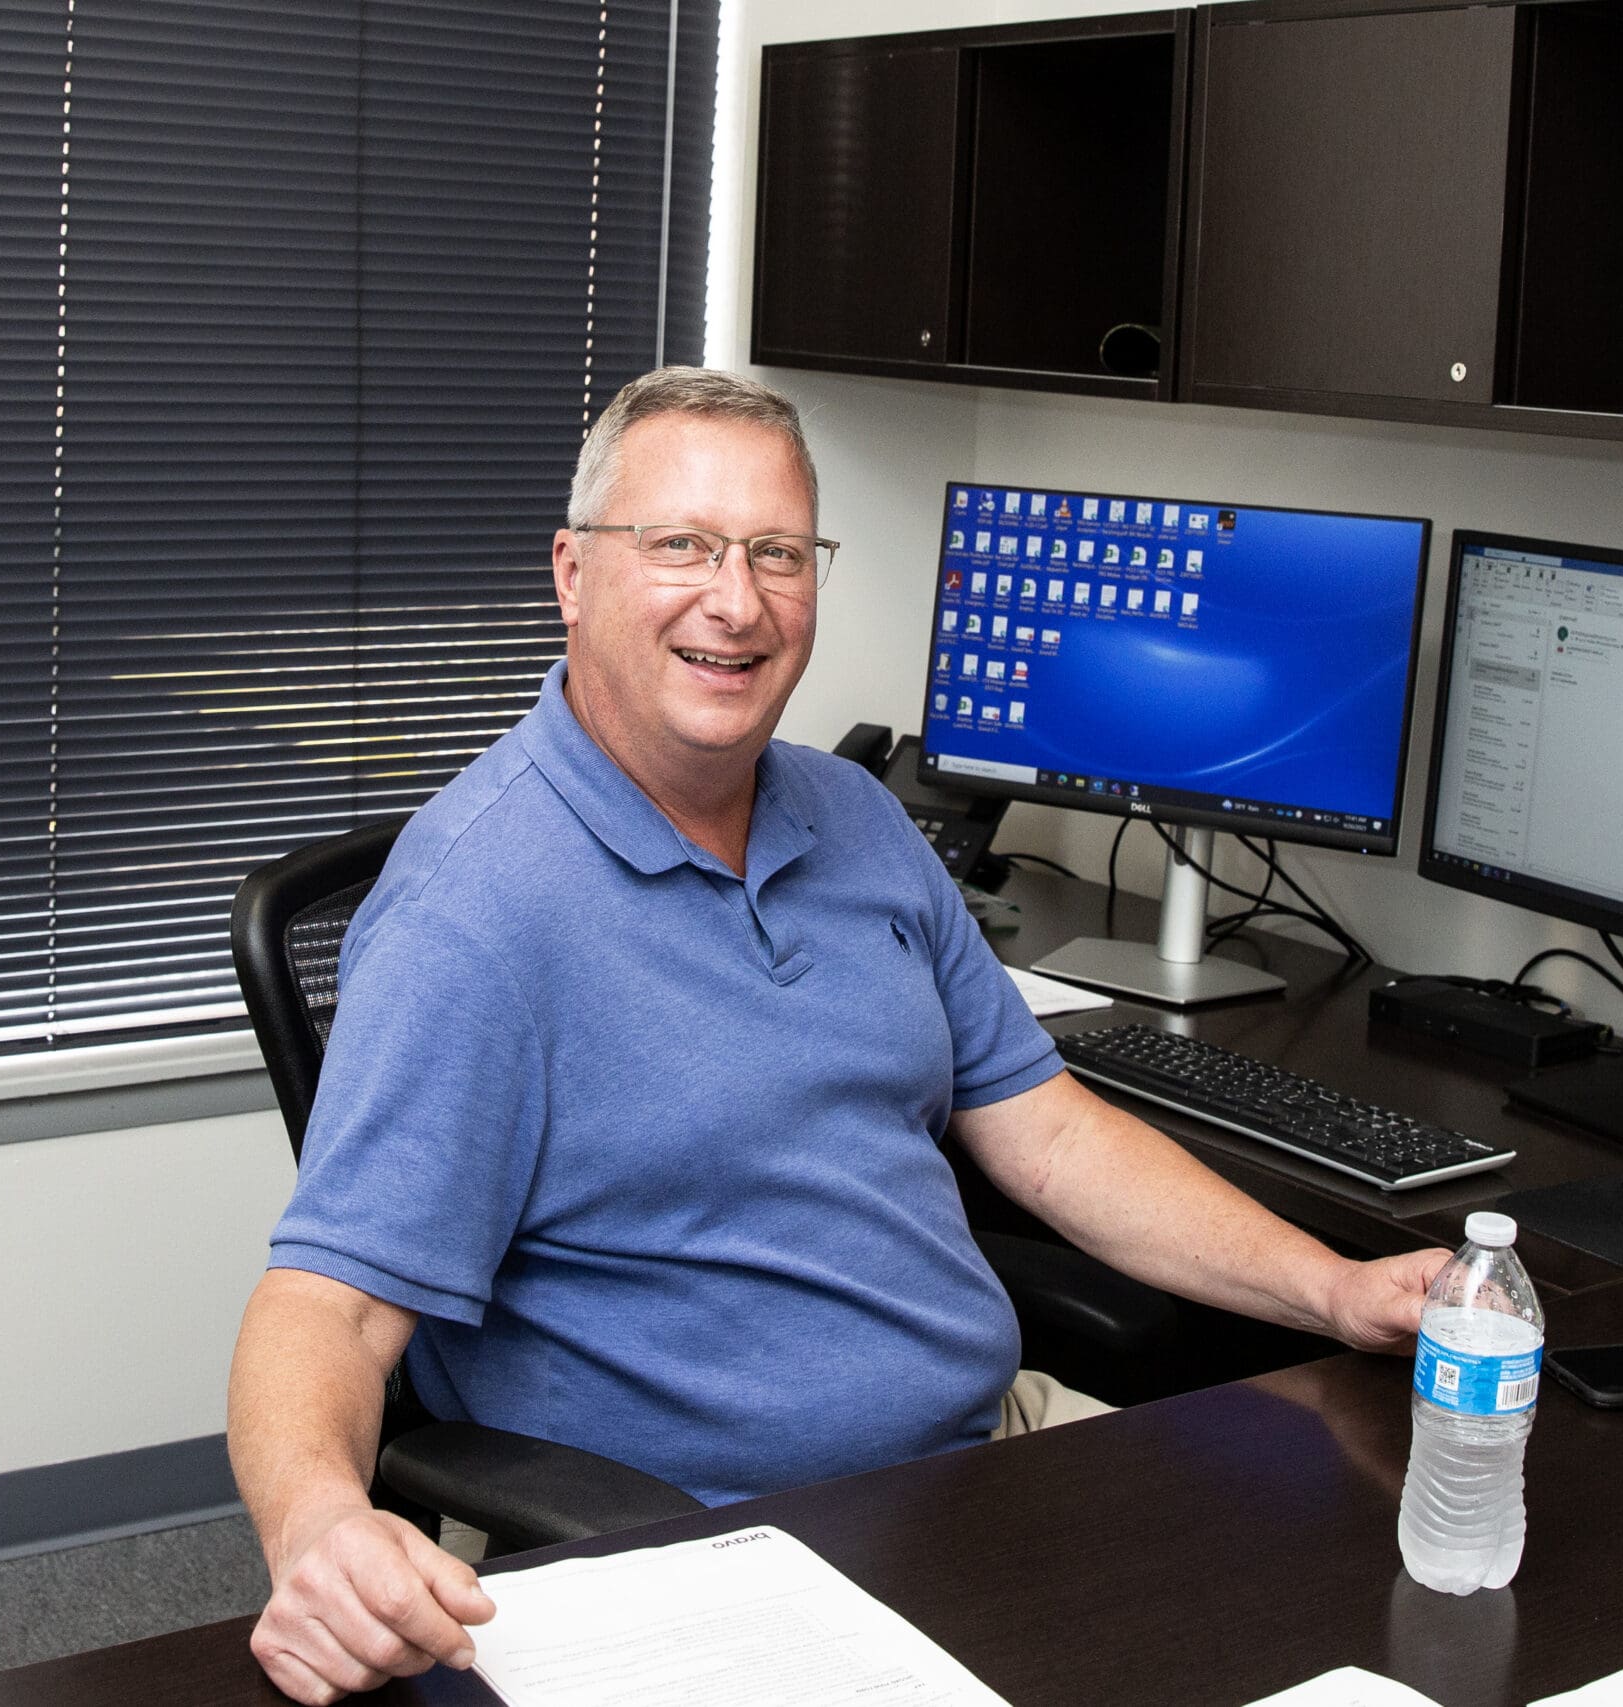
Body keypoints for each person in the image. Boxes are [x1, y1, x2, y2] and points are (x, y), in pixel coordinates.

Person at [225, 367, 1451, 1704]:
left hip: (991, 1461)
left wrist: (1334, 1288)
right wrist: (317, 1527)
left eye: (779, 554)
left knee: (1380, 1605)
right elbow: (331, 1306)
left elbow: (1047, 1134)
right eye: (681, 545)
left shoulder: (856, 821)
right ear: (574, 575)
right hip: (716, 1547)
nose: (736, 602)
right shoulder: (473, 913)